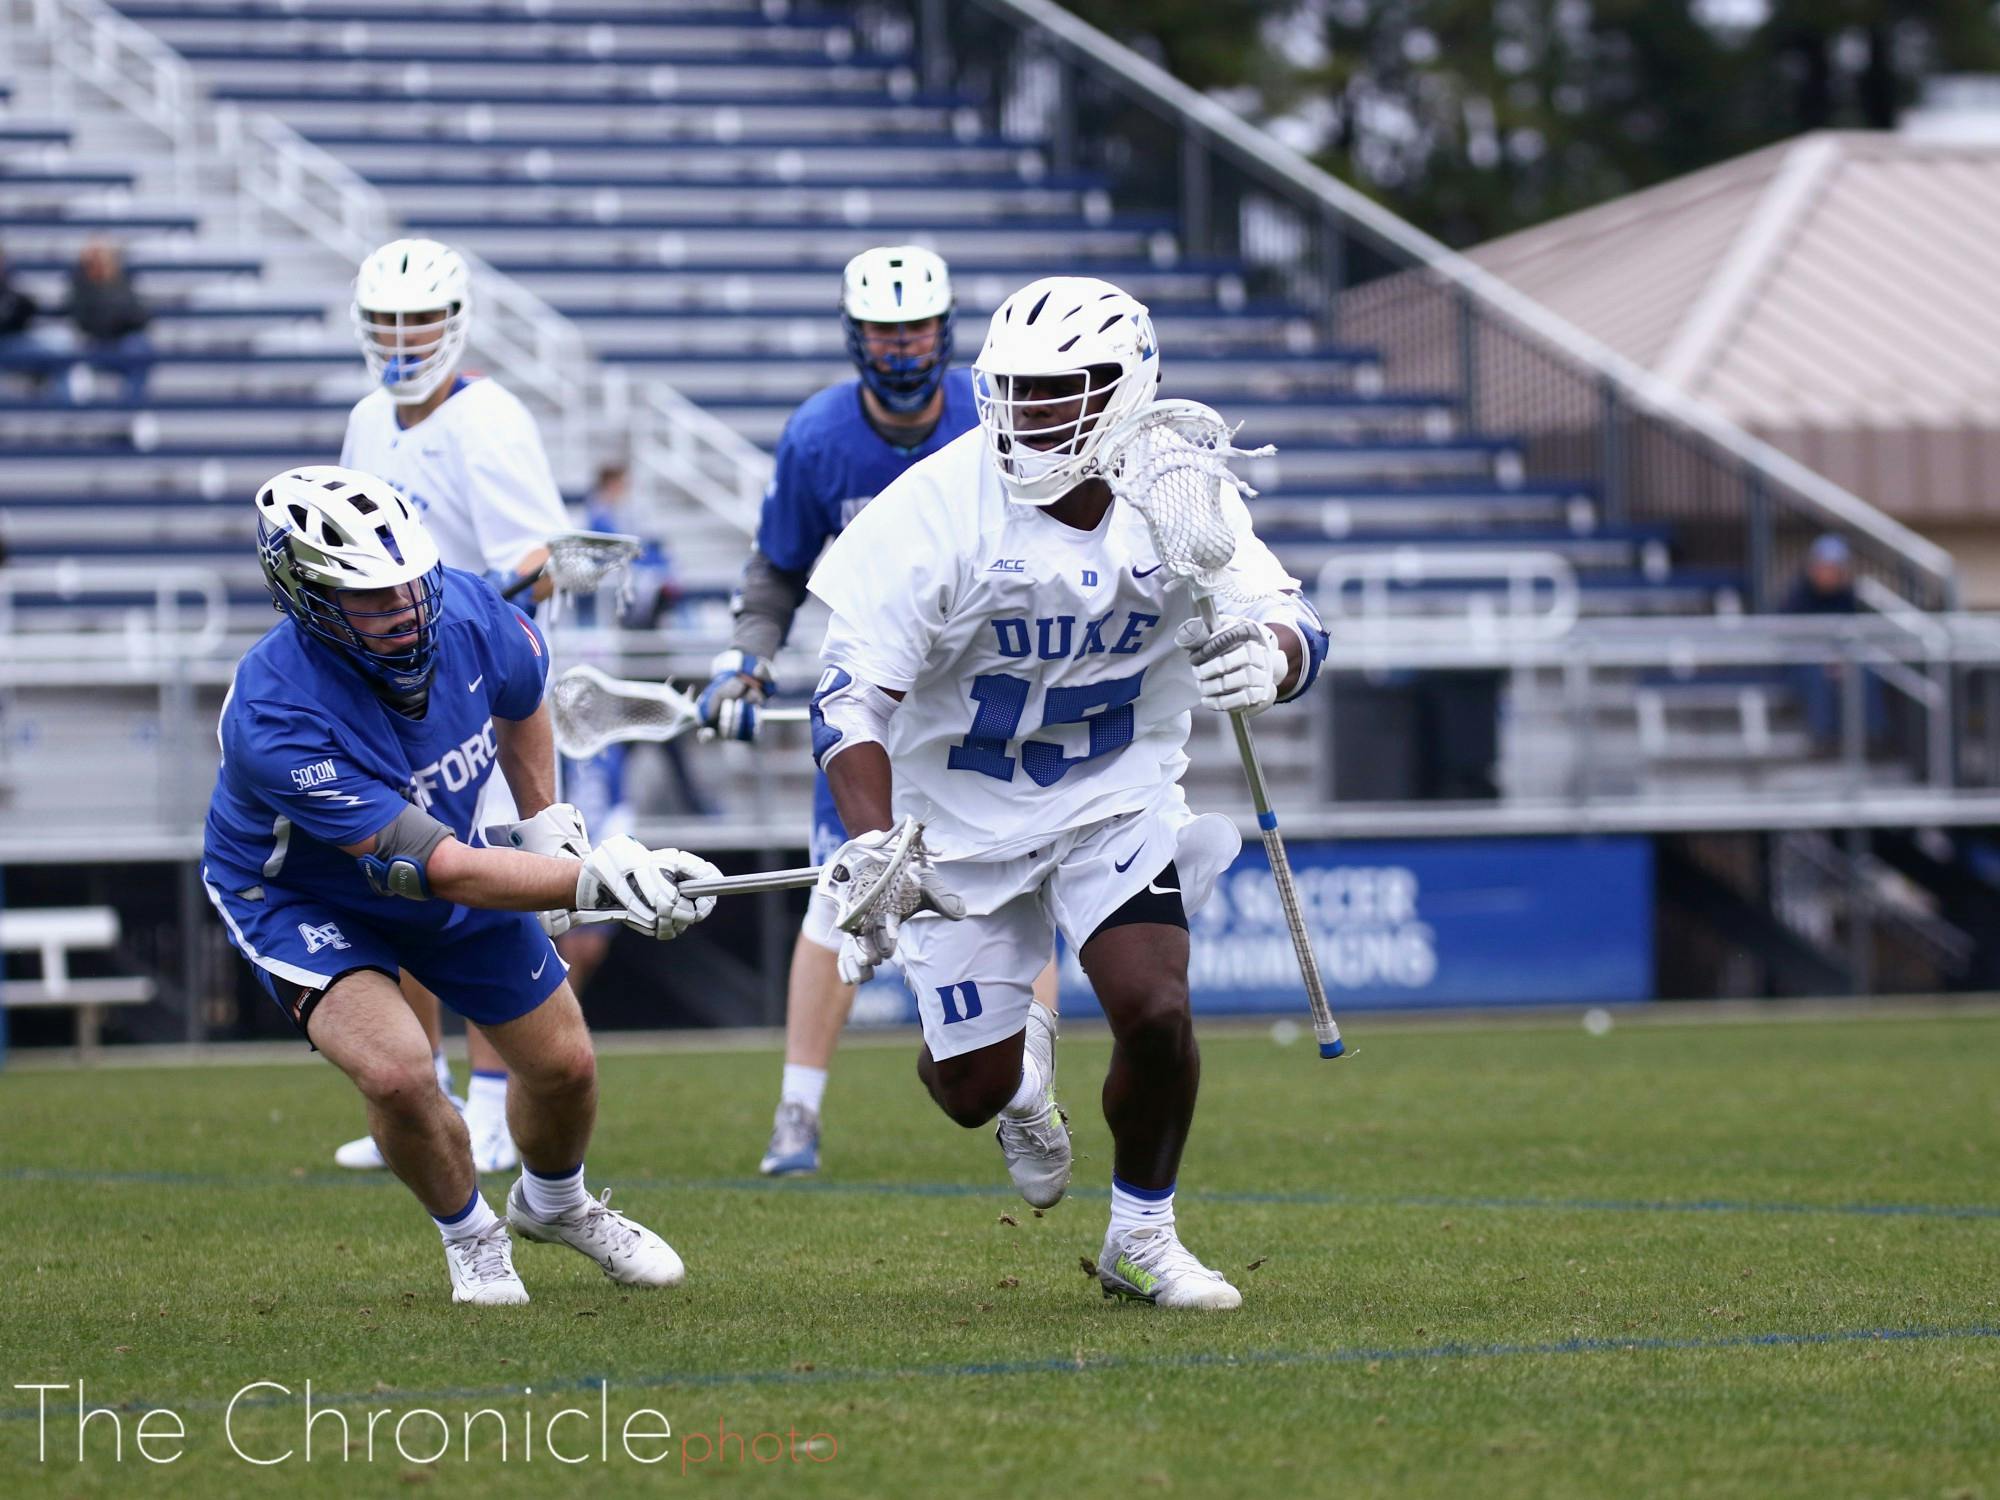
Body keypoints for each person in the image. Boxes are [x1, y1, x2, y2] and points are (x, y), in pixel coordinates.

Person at [805, 276, 1328, 1309]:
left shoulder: (1179, 492)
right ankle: (1018, 1084)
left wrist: (1270, 658)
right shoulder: (938, 508)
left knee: (1153, 1006)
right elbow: (847, 701)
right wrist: (875, 847)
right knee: (968, 1090)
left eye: (1058, 391)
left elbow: (1292, 618)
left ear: (1128, 388)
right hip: (956, 822)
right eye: (1010, 391)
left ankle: (1142, 1236)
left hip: (1113, 795)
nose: (1027, 416)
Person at [204, 464, 721, 1304]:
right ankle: (472, 1236)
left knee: (566, 1069)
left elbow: (523, 697)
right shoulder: (273, 715)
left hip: (445, 863)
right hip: (304, 895)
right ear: (302, 595)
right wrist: (584, 880)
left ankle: (556, 1205)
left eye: (410, 582)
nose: (405, 609)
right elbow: (437, 866)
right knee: (400, 1073)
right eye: (370, 597)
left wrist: (549, 821)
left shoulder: (469, 608)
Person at [695, 245, 1058, 1179]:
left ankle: (1032, 1093)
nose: (904, 349)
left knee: (1018, 900)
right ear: (858, 337)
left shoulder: (999, 419)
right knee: (843, 902)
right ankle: (797, 1115)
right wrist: (748, 656)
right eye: (888, 331)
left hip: (987, 702)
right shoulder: (819, 437)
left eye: (919, 329)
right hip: (874, 705)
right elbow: (777, 566)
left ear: (947, 331)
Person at [333, 237, 572, 1174]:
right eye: (385, 323)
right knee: (400, 885)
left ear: (453, 322)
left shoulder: (488, 418)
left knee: (486, 885)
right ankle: (423, 1085)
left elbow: (539, 557)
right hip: (391, 686)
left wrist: (456, 625)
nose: (400, 340)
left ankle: (494, 1096)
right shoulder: (367, 417)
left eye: (417, 320)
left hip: (473, 686)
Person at [1781, 533, 1883, 752]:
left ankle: (1873, 738)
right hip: (1806, 662)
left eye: (1834, 568)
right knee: (1815, 675)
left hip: (1843, 658)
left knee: (1866, 671)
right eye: (1824, 567)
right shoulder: (1797, 597)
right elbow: (1789, 637)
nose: (1828, 574)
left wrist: (1841, 659)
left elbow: (1858, 634)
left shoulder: (1849, 597)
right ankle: (1823, 740)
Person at [66, 239, 152, 401]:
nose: (99, 261)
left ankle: (132, 406)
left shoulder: (122, 284)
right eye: (94, 257)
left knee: (141, 350)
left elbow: (141, 316)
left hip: (120, 342)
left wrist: (122, 317)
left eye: (103, 257)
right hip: (92, 345)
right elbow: (85, 321)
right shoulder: (80, 286)